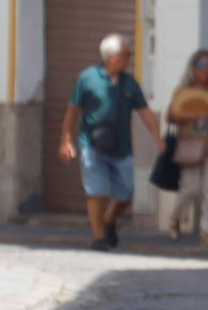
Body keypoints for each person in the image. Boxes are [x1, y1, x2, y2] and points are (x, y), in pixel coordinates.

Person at [58, 34, 163, 251]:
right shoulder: (87, 78)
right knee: (96, 191)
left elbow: (144, 112)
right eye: (127, 54)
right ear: (112, 57)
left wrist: (158, 138)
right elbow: (73, 110)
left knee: (126, 193)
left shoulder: (129, 83)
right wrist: (66, 140)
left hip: (122, 148)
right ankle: (99, 238)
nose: (130, 58)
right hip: (92, 145)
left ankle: (109, 219)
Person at [166, 49, 208, 246]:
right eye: (202, 65)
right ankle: (175, 218)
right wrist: (192, 115)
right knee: (190, 187)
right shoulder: (182, 91)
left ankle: (207, 231)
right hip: (190, 144)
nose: (206, 69)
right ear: (194, 68)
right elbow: (171, 117)